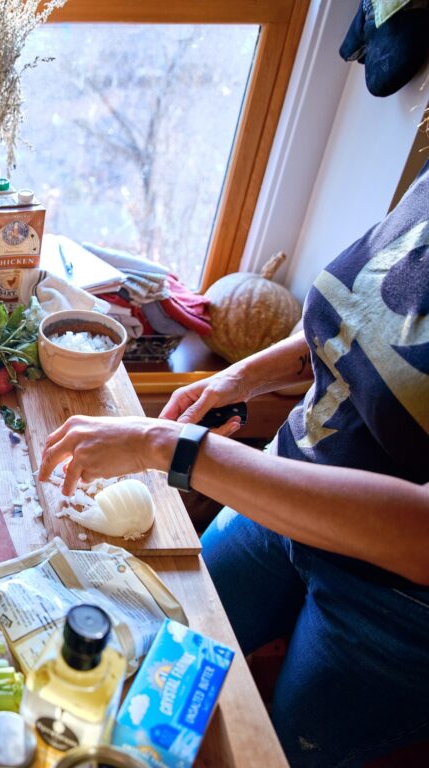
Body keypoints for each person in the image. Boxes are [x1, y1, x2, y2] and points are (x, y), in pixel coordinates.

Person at [40, 159, 429, 765]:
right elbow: (360, 320)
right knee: (154, 657)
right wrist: (241, 377)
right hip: (277, 495)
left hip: (392, 602)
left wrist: (167, 447)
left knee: (277, 747)